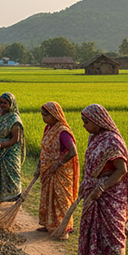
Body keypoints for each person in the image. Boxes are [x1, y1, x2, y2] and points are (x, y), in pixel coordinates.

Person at [72, 104, 128, 255]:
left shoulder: (112, 141)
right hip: (93, 189)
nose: (84, 125)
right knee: (90, 226)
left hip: (111, 194)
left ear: (98, 121)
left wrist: (101, 188)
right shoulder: (94, 138)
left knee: (112, 232)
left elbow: (121, 170)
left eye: (86, 122)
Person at [31, 102, 79, 238]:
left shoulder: (62, 131)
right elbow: (44, 150)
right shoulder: (48, 128)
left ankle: (62, 229)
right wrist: (40, 165)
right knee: (48, 196)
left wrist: (57, 164)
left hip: (60, 171)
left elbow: (72, 151)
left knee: (60, 198)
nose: (43, 118)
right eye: (42, 115)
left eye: (46, 115)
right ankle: (49, 224)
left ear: (54, 115)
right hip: (47, 169)